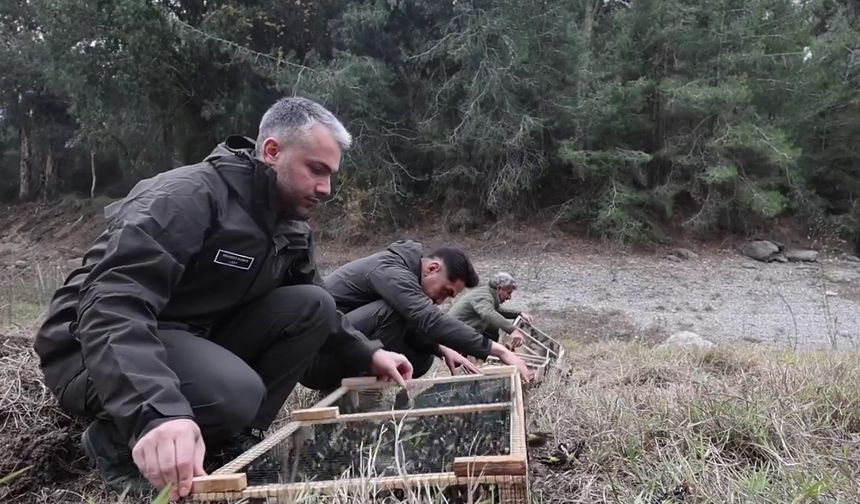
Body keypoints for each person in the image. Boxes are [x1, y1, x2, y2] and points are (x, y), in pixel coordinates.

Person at [33, 97, 413, 500]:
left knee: (312, 305)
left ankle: (233, 434)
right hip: (90, 349)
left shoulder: (288, 222)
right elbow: (112, 305)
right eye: (316, 170)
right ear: (272, 151)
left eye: (331, 174)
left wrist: (368, 352)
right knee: (235, 393)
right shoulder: (185, 197)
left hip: (190, 334)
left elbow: (318, 302)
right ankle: (114, 442)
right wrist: (156, 411)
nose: (326, 188)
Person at [301, 240, 534, 391]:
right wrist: (500, 350)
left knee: (422, 358)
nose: (440, 301)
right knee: (391, 312)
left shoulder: (404, 272)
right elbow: (428, 319)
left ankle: (366, 382)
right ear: (432, 269)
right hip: (313, 358)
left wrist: (440, 348)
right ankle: (361, 390)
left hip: (338, 346)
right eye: (445, 292)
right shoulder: (392, 270)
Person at [448, 272, 534, 349]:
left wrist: (519, 313)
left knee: (492, 329)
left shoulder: (488, 293)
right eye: (508, 293)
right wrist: (513, 330)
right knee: (492, 328)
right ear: (499, 288)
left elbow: (496, 311)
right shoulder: (484, 296)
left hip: (461, 332)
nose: (509, 297)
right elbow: (488, 313)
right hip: (453, 334)